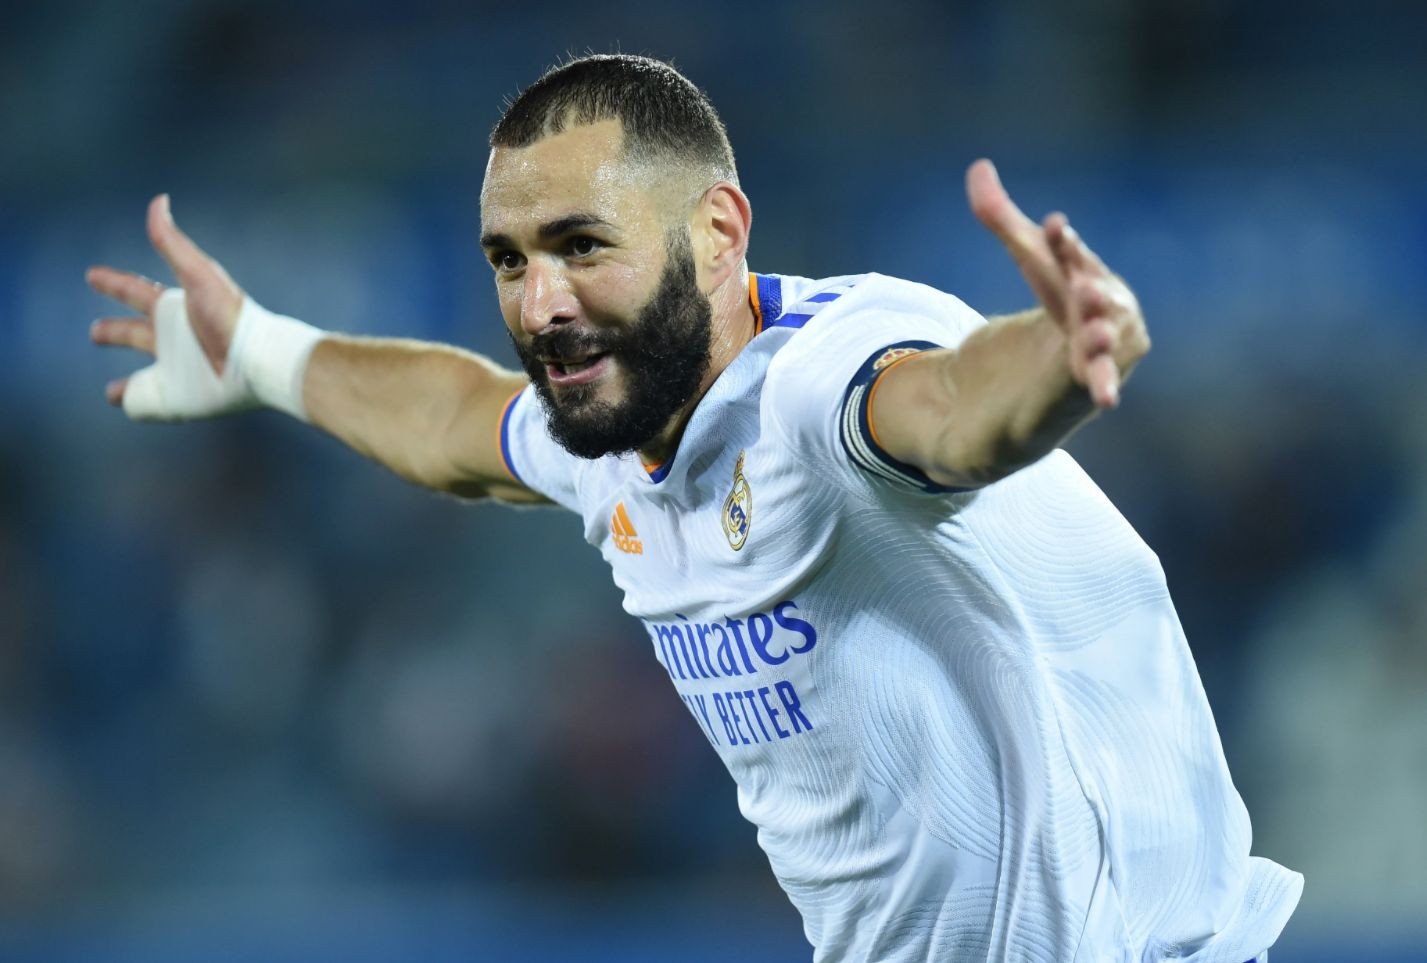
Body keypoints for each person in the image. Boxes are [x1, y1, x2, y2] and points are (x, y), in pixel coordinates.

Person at [87, 54, 1299, 963]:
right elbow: (455, 424)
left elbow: (946, 409)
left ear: (716, 233)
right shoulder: (615, 422)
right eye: (509, 259)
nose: (539, 303)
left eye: (580, 245)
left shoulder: (816, 384)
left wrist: (1054, 360)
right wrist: (263, 353)